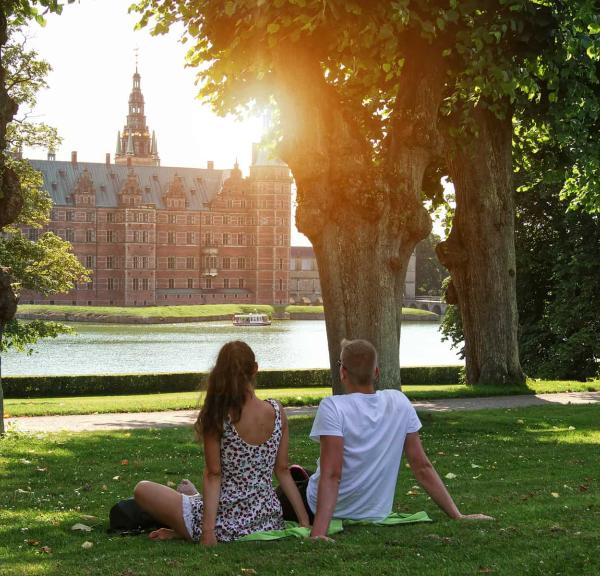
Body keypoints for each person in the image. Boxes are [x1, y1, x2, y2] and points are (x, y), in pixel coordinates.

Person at [279, 338, 492, 540]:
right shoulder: (399, 402)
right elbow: (422, 466)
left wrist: (318, 533)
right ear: (377, 373)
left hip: (322, 506)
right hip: (374, 511)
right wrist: (457, 515)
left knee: (282, 492)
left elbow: (332, 474)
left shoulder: (333, 407)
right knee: (304, 473)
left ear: (343, 372)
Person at [133, 340, 310, 545]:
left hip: (224, 525)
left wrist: (208, 532)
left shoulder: (219, 415)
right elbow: (283, 470)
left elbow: (213, 474)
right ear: (255, 369)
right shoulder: (277, 411)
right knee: (190, 498)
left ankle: (187, 516)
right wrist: (304, 522)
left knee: (142, 489)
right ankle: (191, 501)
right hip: (267, 520)